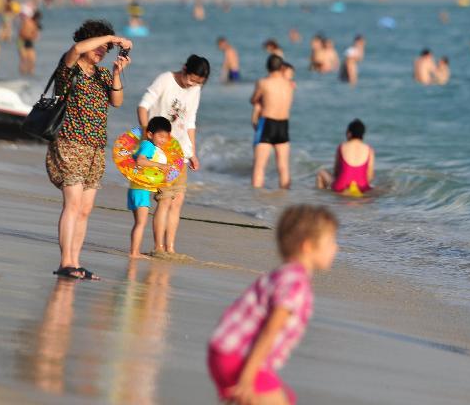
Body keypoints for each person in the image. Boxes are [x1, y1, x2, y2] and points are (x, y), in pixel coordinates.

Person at [208, 205, 338, 405]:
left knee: (286, 398)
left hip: (226, 352)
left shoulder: (284, 273)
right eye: (331, 241)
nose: (336, 248)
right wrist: (247, 377)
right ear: (308, 246)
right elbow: (271, 328)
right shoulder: (296, 281)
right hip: (239, 358)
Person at [48, 20, 132, 280]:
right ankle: (65, 262)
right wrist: (111, 37)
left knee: (85, 210)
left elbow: (117, 102)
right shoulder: (69, 68)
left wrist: (117, 73)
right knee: (72, 205)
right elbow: (76, 49)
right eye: (100, 45)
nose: (102, 51)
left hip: (95, 149)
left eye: (105, 48)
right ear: (90, 41)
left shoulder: (103, 75)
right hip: (69, 143)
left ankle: (75, 261)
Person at [138, 55, 210, 255]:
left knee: (177, 201)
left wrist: (193, 153)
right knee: (164, 199)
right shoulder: (165, 80)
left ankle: (170, 247)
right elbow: (143, 105)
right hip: (161, 151)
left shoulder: (195, 89)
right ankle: (158, 247)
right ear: (185, 68)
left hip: (181, 153)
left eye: (198, 82)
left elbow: (190, 121)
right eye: (192, 79)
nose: (193, 84)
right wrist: (147, 135)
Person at [127, 117, 172, 259]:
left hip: (138, 188)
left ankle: (134, 251)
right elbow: (140, 160)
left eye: (166, 137)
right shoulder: (148, 146)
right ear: (150, 134)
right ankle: (134, 252)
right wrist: (160, 166)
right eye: (160, 136)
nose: (163, 140)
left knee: (139, 222)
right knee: (141, 222)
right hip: (141, 189)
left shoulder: (153, 147)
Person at [251, 55, 295, 189]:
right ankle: (285, 199)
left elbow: (254, 99)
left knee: (259, 167)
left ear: (267, 67)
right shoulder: (290, 84)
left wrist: (258, 105)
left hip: (267, 124)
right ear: (281, 67)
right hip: (283, 125)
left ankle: (256, 200)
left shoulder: (263, 82)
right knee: (283, 167)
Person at [316, 119, 375, 194]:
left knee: (321, 173)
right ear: (362, 134)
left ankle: (322, 200)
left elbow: (336, 172)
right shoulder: (369, 150)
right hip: (362, 188)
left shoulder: (342, 147)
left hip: (341, 187)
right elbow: (370, 176)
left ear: (349, 133)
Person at [18, 6, 41, 76]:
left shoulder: (35, 24)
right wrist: (31, 36)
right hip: (22, 41)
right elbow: (22, 33)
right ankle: (22, 75)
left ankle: (30, 75)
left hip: (29, 41)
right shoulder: (27, 21)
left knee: (32, 59)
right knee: (24, 59)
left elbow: (36, 35)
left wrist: (34, 35)